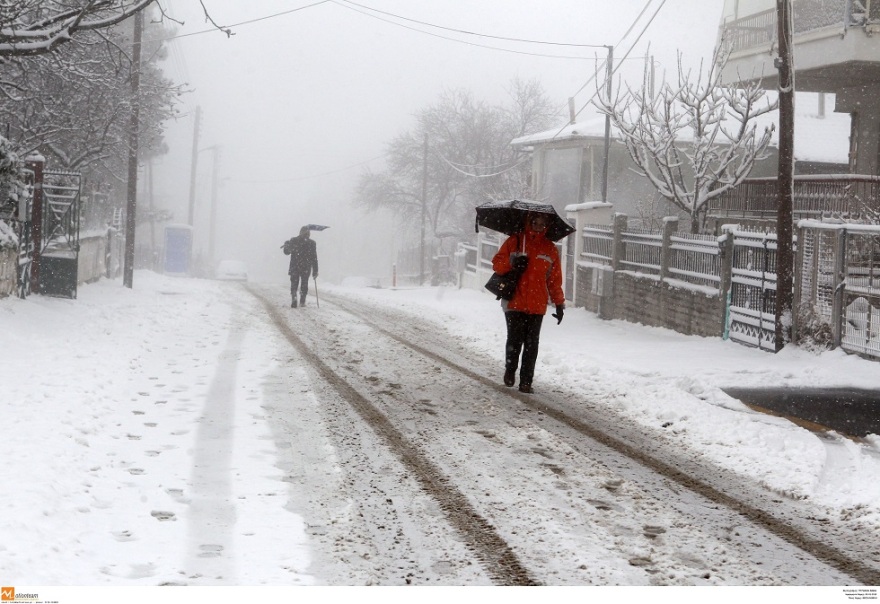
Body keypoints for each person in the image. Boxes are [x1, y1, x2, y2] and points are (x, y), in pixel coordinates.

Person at [491, 212, 565, 394]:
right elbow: (497, 264)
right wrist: (513, 263)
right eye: (535, 223)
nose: (538, 227)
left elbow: (554, 280)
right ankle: (510, 370)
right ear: (529, 222)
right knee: (515, 340)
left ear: (546, 226)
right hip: (514, 301)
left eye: (542, 224)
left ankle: (526, 381)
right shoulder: (515, 241)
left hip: (537, 304)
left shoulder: (550, 249)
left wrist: (559, 303)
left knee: (532, 344)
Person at [283, 225, 319, 308]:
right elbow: (314, 258)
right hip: (306, 267)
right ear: (309, 234)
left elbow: (287, 252)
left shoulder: (294, 240)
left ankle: (294, 297)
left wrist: (286, 244)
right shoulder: (312, 243)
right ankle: (302, 301)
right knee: (304, 284)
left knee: (294, 283)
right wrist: (315, 270)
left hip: (295, 266)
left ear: (300, 232)